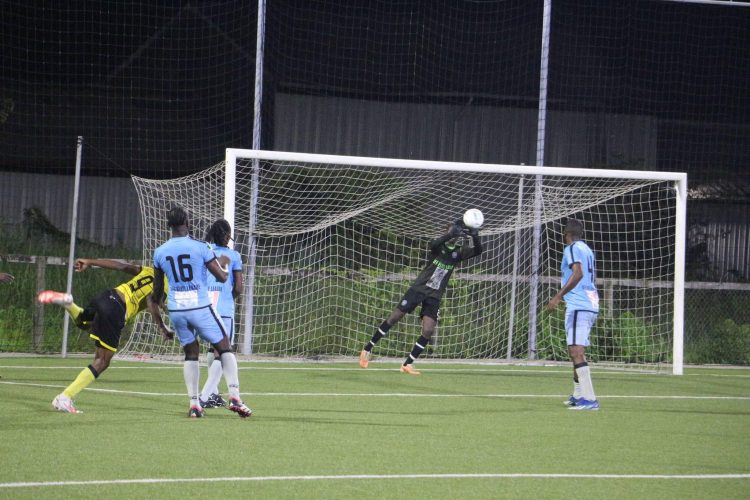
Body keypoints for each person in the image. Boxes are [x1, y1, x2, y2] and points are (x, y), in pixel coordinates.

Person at [150, 206, 252, 418]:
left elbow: (157, 293)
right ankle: (235, 396)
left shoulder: (160, 252)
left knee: (191, 353)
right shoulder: (201, 247)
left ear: (168, 225)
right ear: (187, 222)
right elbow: (223, 277)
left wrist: (161, 325)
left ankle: (195, 404)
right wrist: (222, 264)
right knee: (225, 346)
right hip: (200, 306)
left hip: (176, 310)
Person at [37, 258, 169, 414]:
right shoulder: (166, 286)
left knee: (85, 322)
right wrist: (162, 325)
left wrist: (90, 262)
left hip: (107, 295)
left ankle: (68, 303)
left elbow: (121, 266)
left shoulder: (150, 271)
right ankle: (65, 397)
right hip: (117, 309)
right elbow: (152, 302)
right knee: (102, 361)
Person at [359, 219, 482, 374]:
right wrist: (449, 234)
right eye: (451, 232)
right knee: (394, 318)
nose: (453, 235)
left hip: (434, 295)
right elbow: (433, 244)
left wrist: (475, 236)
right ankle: (367, 349)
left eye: (456, 232)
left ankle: (407, 364)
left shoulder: (458, 253)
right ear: (447, 231)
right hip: (418, 289)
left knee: (428, 330)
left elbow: (478, 251)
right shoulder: (438, 247)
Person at [546, 219, 600, 411]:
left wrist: (558, 297)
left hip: (579, 304)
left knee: (577, 352)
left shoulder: (572, 248)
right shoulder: (587, 249)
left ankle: (590, 399)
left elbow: (577, 273)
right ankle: (578, 395)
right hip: (590, 304)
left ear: (566, 234)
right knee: (574, 351)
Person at [198, 219, 244, 409]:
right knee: (223, 352)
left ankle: (215, 394)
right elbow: (239, 287)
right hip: (224, 308)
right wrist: (229, 297)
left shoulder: (205, 252)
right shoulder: (233, 255)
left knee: (212, 348)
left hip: (206, 306)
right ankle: (204, 397)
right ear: (226, 235)